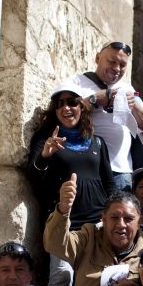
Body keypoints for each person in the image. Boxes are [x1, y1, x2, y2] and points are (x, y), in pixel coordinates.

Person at [27, 80, 115, 230]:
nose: (65, 108)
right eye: (59, 104)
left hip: (99, 226)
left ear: (81, 106)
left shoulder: (97, 142)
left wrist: (112, 215)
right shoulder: (46, 139)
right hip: (65, 227)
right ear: (54, 110)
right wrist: (44, 157)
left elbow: (109, 184)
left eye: (71, 102)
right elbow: (33, 178)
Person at [71, 41, 143, 191]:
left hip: (121, 172)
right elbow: (66, 112)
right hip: (88, 166)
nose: (116, 68)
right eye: (112, 61)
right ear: (97, 58)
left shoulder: (128, 88)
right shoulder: (78, 83)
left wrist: (133, 103)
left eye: (122, 65)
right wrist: (95, 99)